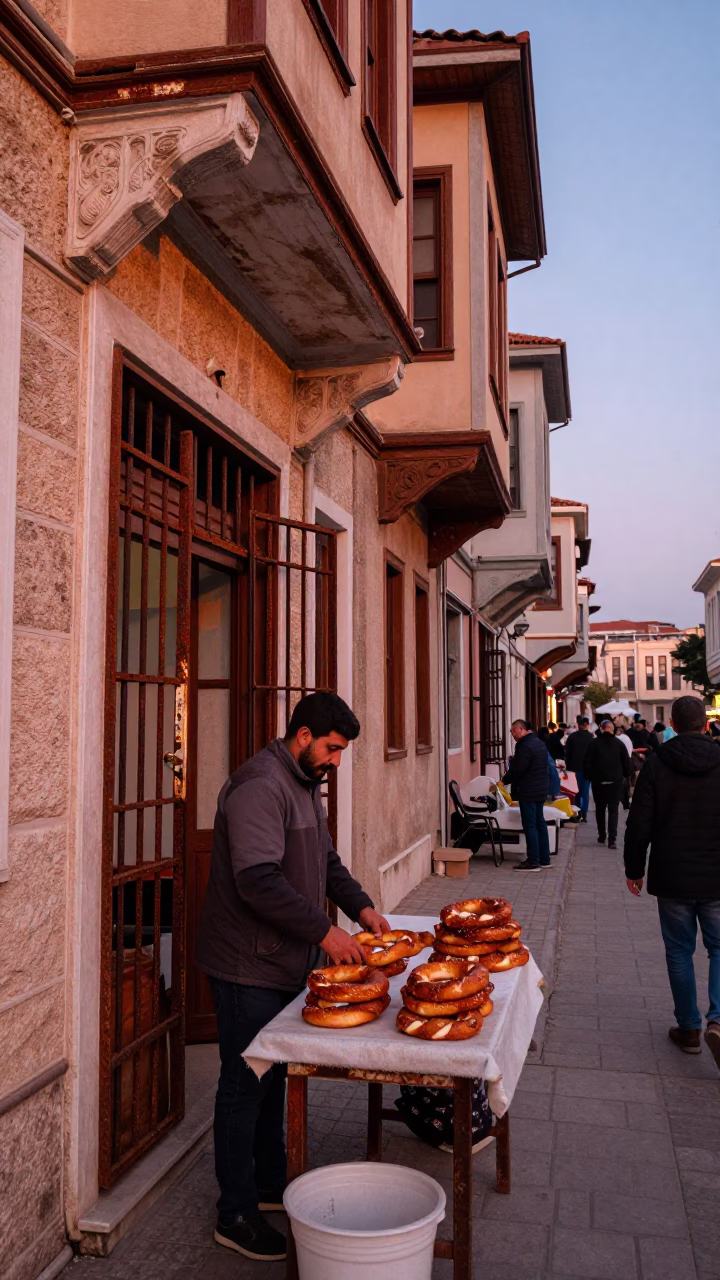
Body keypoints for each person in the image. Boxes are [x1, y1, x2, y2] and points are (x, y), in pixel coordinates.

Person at [195, 692, 390, 1261]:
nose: (335, 761)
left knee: (274, 1076)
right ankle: (234, 1214)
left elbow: (325, 862)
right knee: (243, 1086)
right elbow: (257, 880)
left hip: (284, 962)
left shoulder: (305, 785)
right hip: (244, 966)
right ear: (302, 736)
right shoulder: (260, 785)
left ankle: (266, 1183)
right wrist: (324, 934)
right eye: (331, 749)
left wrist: (362, 909)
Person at [624, 695, 720, 1070]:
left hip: (673, 873)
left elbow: (639, 822)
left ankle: (690, 1029)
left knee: (679, 951)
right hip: (716, 874)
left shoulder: (658, 763)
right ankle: (718, 1019)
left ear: (674, 726)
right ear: (705, 724)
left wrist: (634, 869)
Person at [503, 719, 552, 871]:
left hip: (528, 791)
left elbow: (518, 769)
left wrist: (504, 781)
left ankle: (533, 862)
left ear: (521, 729)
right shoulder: (539, 743)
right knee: (540, 824)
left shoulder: (524, 746)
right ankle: (545, 859)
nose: (512, 734)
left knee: (530, 825)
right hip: (540, 789)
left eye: (513, 731)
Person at [583, 718, 630, 849]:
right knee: (613, 810)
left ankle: (602, 835)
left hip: (598, 782)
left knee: (600, 809)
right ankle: (612, 839)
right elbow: (626, 763)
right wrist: (625, 776)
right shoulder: (619, 744)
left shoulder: (593, 743)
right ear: (612, 729)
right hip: (615, 782)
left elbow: (587, 762)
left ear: (602, 729)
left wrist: (590, 777)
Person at [564, 715, 594, 823]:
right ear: (587, 725)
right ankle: (584, 815)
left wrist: (568, 765)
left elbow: (567, 753)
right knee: (584, 793)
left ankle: (576, 813)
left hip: (574, 769)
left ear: (579, 725)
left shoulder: (572, 737)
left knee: (574, 792)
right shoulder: (591, 737)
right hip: (586, 769)